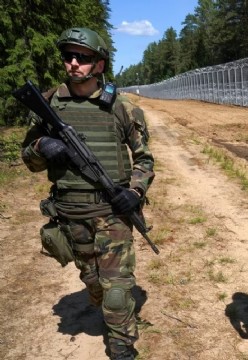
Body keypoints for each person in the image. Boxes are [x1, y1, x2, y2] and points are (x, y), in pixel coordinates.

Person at [20, 27, 154, 360]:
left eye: (83, 57)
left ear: (99, 63)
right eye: (69, 56)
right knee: (93, 281)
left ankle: (122, 347)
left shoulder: (120, 107)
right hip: (70, 214)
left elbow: (145, 159)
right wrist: (41, 145)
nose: (74, 63)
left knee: (116, 291)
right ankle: (107, 308)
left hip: (112, 214)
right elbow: (29, 159)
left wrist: (135, 192)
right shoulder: (50, 103)